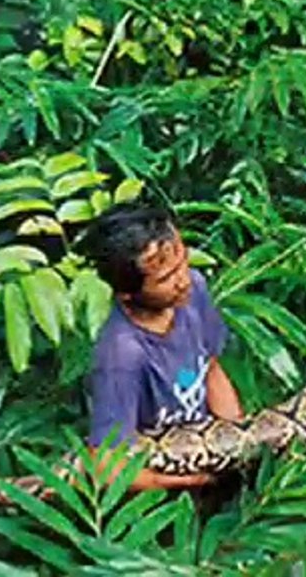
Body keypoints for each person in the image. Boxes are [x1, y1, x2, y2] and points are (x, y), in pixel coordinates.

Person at [78, 204, 245, 492]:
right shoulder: (122, 354)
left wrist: (238, 440)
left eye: (182, 262)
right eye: (165, 279)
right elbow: (105, 465)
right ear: (126, 293)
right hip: (155, 486)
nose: (182, 280)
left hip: (201, 450)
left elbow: (211, 369)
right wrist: (174, 483)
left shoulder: (194, 290)